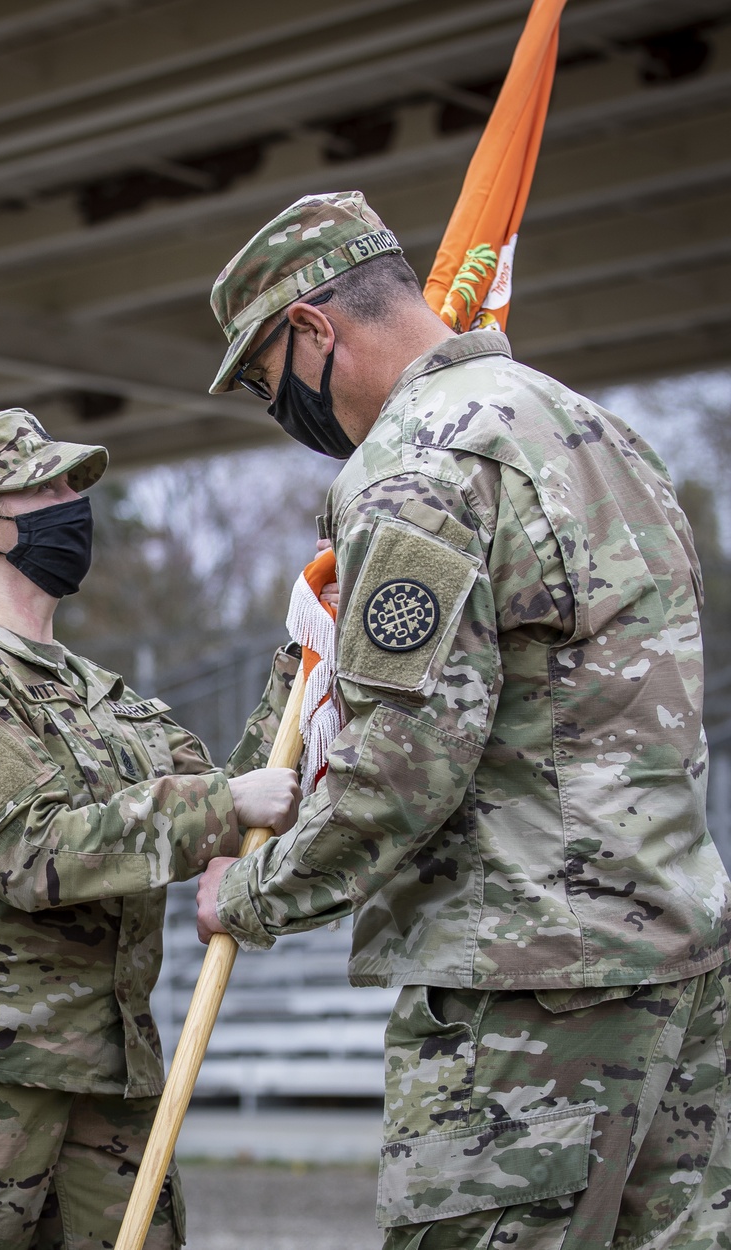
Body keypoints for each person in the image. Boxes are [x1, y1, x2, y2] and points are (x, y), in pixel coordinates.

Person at [195, 191, 731, 1247]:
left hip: (525, 993)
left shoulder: (417, 467)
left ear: (313, 330)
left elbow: (402, 765)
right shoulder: (602, 433)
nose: (283, 414)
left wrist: (250, 893)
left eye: (270, 382)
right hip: (677, 963)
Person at [0, 407, 300, 1250]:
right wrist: (224, 806)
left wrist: (302, 661)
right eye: (50, 487)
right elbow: (31, 852)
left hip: (100, 1081)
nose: (77, 502)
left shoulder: (99, 694)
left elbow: (225, 802)